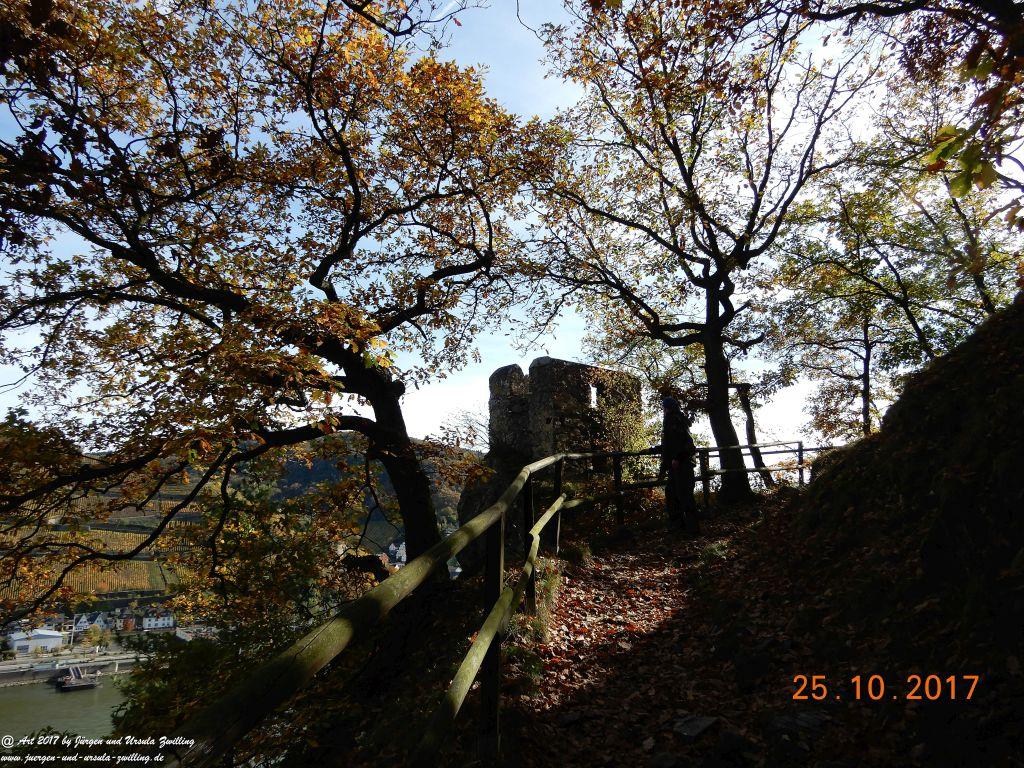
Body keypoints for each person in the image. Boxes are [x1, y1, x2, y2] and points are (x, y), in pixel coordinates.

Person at [660, 396, 700, 535]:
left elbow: (686, 444)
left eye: (664, 408)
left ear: (667, 408)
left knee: (684, 496)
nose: (663, 410)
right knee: (673, 494)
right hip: (678, 464)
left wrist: (677, 458)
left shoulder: (674, 420)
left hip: (681, 464)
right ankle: (681, 527)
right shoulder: (677, 419)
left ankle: (690, 529)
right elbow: (671, 442)